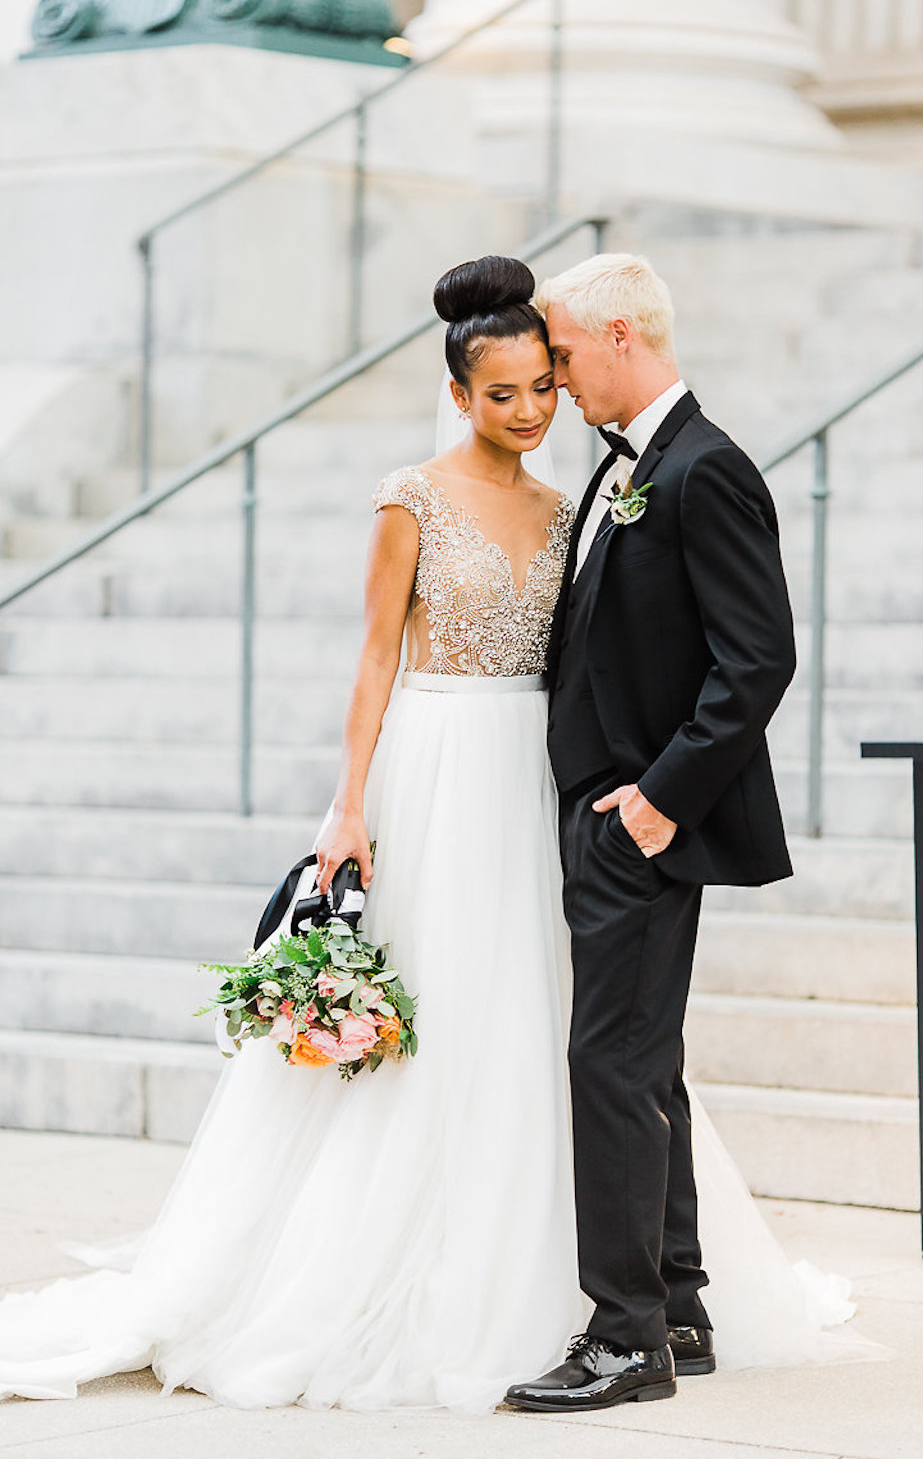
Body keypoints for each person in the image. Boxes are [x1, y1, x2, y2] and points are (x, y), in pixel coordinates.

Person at [0, 257, 584, 1413]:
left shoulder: (565, 512)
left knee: (525, 1006)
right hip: (432, 765)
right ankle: (362, 1267)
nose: (526, 412)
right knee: (431, 1004)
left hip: (530, 776)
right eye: (502, 393)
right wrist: (348, 805)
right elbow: (375, 658)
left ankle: (528, 1257)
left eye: (540, 389)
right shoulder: (408, 496)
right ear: (459, 393)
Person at [505, 253, 799, 1413]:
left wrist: (661, 796)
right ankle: (676, 1298)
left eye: (566, 356)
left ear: (621, 334)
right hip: (612, 812)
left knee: (609, 1064)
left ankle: (625, 1337)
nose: (556, 379)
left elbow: (757, 658)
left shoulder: (702, 468)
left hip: (642, 821)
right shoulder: (634, 467)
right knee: (645, 1060)